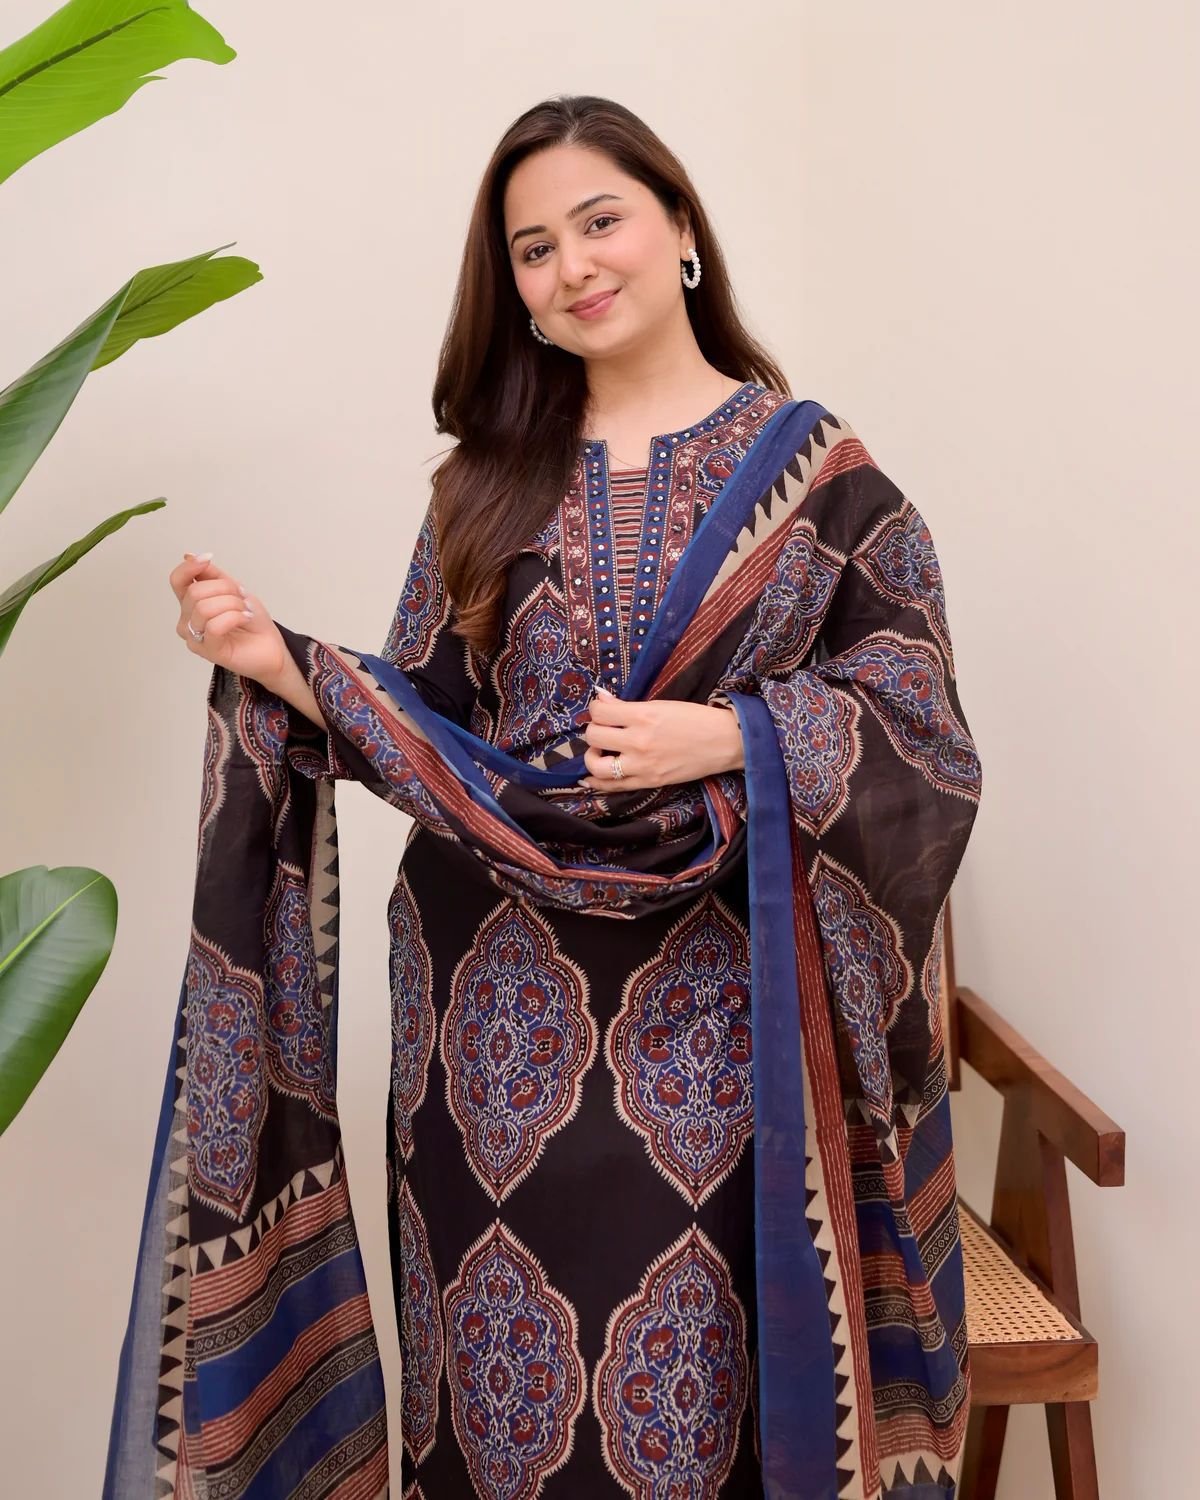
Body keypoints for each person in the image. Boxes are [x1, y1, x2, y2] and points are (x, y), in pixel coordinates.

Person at [104, 96, 983, 1500]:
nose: (573, 266)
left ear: (680, 227)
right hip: (486, 1041)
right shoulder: (483, 487)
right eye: (532, 249)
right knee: (498, 1413)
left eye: (599, 221)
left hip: (724, 1035)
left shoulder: (826, 482)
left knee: (698, 1403)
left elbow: (923, 734)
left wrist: (732, 738)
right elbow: (426, 724)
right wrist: (278, 663)